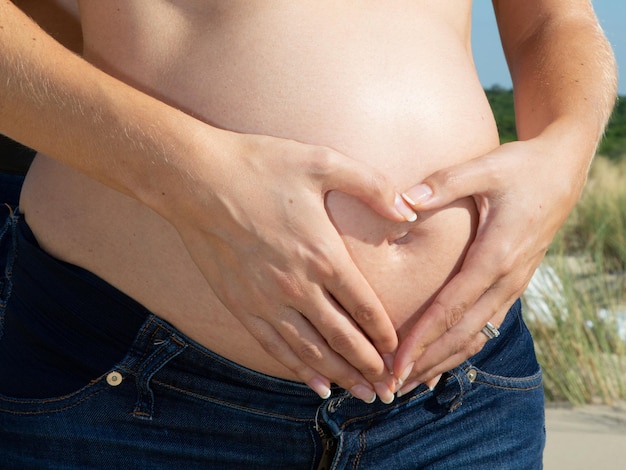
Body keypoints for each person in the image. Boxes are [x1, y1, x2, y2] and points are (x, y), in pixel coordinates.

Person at [0, 0, 616, 468]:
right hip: (134, 393)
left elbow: (553, 21)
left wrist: (564, 158)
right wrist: (189, 179)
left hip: (459, 399)